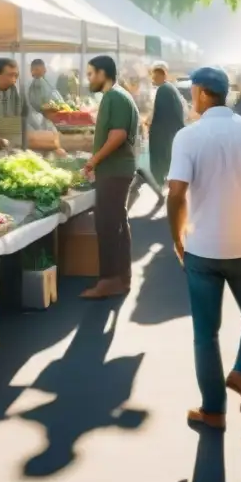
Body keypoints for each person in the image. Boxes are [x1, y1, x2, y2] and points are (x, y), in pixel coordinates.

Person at [166, 66, 241, 429]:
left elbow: (176, 196)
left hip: (202, 246)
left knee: (206, 332)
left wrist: (178, 238)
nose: (189, 97)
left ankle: (213, 411)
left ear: (202, 93)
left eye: (192, 91)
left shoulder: (188, 137)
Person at [81, 55, 140, 300]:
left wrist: (94, 160)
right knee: (116, 223)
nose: (89, 79)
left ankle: (109, 281)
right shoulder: (117, 96)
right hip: (116, 170)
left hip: (115, 171)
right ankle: (121, 278)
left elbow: (117, 135)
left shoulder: (115, 97)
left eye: (91, 74)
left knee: (107, 225)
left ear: (104, 73)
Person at [141, 60, 186, 193]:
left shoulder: (164, 90)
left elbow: (156, 113)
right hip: (169, 134)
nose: (153, 79)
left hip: (163, 134)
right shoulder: (169, 89)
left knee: (159, 162)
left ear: (161, 76)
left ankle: (159, 187)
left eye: (155, 76)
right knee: (167, 161)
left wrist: (146, 123)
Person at [26, 58, 63, 131]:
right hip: (38, 120)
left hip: (47, 120)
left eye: (44, 69)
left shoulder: (46, 82)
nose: (45, 71)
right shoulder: (33, 84)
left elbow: (54, 96)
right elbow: (36, 106)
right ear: (33, 71)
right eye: (41, 69)